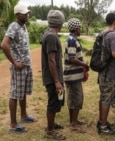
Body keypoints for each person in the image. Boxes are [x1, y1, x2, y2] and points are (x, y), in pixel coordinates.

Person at [1, 4, 35, 133]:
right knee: (15, 93)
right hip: (18, 67)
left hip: (26, 65)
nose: (27, 15)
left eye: (27, 13)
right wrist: (14, 62)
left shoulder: (23, 26)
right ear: (17, 15)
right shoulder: (13, 27)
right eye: (24, 13)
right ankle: (13, 125)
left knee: (22, 91)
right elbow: (4, 45)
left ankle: (24, 116)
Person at [40, 10, 66, 140]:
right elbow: (51, 60)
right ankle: (50, 131)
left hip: (53, 77)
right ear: (60, 22)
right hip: (52, 78)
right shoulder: (51, 37)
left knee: (57, 101)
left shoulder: (49, 34)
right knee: (53, 102)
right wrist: (56, 81)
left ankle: (52, 124)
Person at [63, 18, 89, 133]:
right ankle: (74, 123)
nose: (81, 29)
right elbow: (72, 58)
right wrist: (84, 64)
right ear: (76, 28)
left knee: (72, 98)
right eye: (80, 27)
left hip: (72, 75)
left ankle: (73, 120)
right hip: (72, 76)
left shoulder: (72, 39)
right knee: (77, 98)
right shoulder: (72, 40)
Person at [96, 12, 115, 135]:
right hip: (109, 72)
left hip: (101, 70)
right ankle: (104, 126)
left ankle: (101, 121)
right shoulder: (114, 35)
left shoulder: (102, 33)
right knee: (107, 98)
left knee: (103, 96)